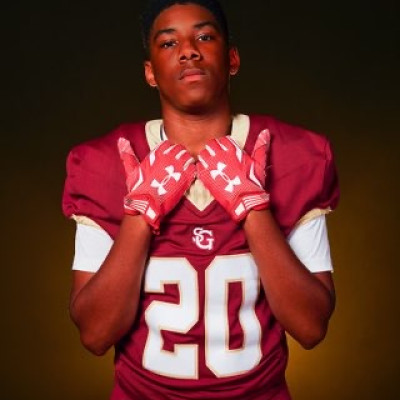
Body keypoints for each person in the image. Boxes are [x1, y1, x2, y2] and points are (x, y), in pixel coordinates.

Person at [62, 0, 340, 398]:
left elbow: (311, 328)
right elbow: (95, 334)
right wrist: (139, 215)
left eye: (205, 37)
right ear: (150, 73)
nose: (188, 51)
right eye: (168, 43)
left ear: (232, 59)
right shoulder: (102, 162)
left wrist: (253, 208)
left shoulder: (296, 155)